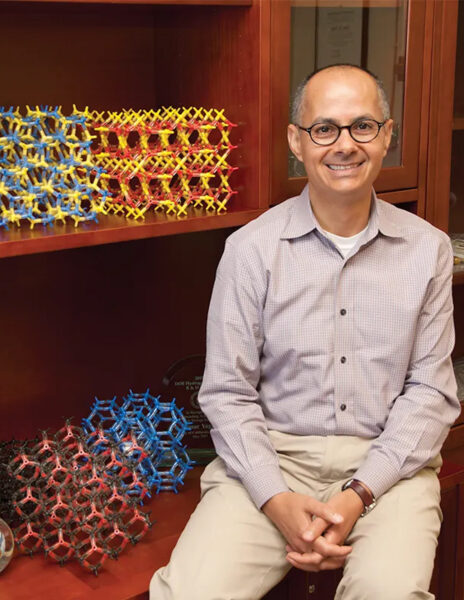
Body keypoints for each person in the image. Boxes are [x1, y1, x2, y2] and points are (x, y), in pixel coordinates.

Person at [149, 64, 460, 600]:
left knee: (389, 593)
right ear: (297, 141)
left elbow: (430, 392)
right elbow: (227, 392)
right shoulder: (250, 250)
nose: (345, 144)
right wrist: (275, 498)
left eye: (363, 126)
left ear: (387, 136)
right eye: (325, 129)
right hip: (273, 459)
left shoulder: (426, 249)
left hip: (387, 467)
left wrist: (358, 493)